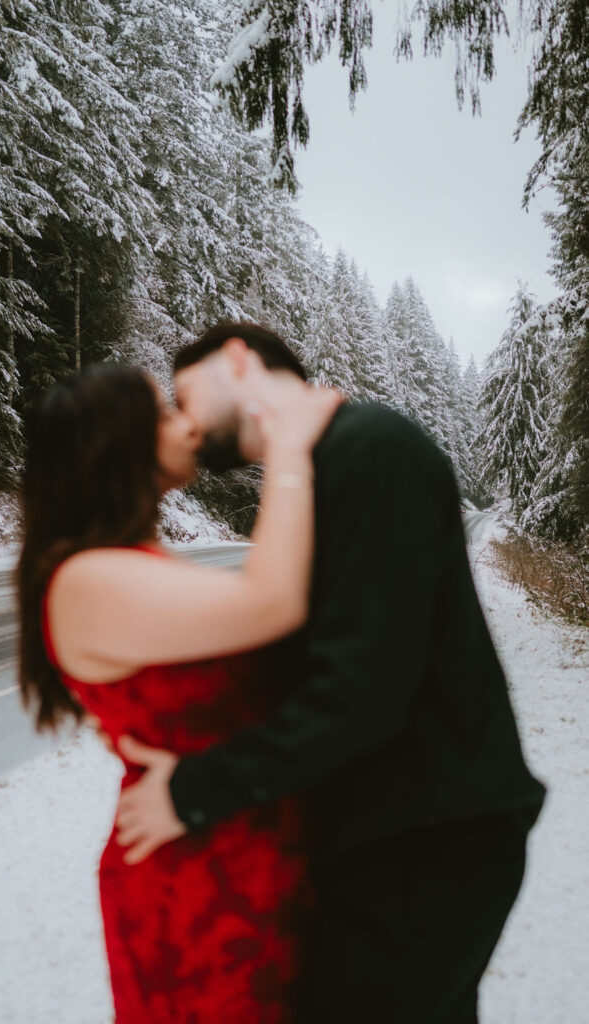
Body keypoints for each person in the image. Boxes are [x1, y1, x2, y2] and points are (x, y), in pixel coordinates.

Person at [112, 322, 547, 1024]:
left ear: (239, 359)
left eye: (185, 394)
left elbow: (363, 687)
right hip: (394, 835)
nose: (185, 422)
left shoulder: (368, 449)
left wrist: (195, 789)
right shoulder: (316, 472)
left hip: (428, 836)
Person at [16, 361, 343, 1024]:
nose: (188, 422)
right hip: (197, 886)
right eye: (165, 411)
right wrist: (287, 445)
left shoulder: (133, 562)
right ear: (120, 441)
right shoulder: (88, 576)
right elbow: (275, 602)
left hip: (243, 851)